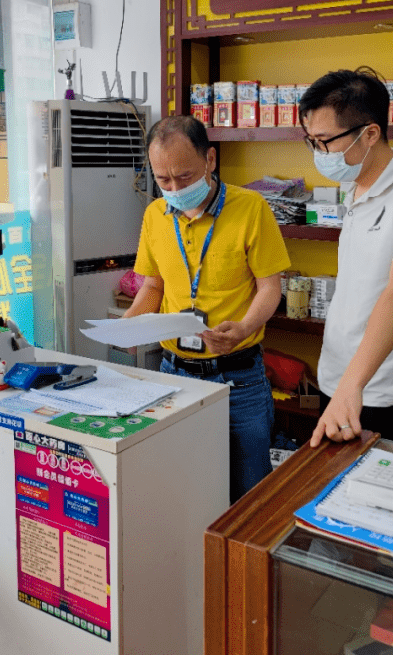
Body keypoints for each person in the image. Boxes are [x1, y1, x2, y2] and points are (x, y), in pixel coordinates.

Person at [125, 115, 291, 501]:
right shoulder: (155, 216)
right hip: (175, 374)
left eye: (184, 177)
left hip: (238, 378)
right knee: (187, 491)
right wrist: (129, 325)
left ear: (210, 160)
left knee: (250, 493)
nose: (174, 188)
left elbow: (270, 288)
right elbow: (153, 284)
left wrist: (246, 326)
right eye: (163, 180)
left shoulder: (251, 208)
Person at [299, 68, 393, 447]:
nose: (319, 153)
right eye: (311, 141)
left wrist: (354, 383)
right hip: (338, 371)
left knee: (372, 492)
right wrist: (342, 380)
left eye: (325, 141)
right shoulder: (353, 186)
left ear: (370, 134)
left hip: (381, 383)